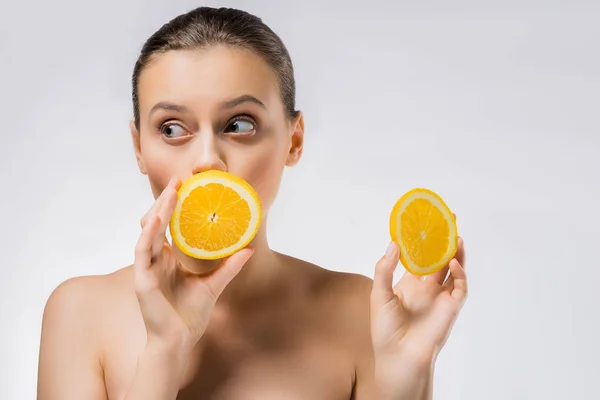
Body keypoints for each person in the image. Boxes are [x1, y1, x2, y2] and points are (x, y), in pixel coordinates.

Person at [36, 6, 468, 400]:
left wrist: (408, 377)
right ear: (138, 148)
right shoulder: (78, 315)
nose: (207, 159)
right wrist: (164, 350)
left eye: (239, 124)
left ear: (293, 141)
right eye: (171, 129)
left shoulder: (363, 312)